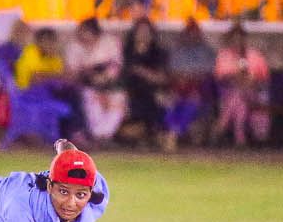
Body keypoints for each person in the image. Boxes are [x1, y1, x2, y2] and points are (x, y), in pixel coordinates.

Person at [65, 16, 125, 143]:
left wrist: (104, 81)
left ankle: (107, 135)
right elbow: (72, 73)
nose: (82, 35)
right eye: (81, 31)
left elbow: (116, 66)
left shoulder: (110, 42)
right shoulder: (74, 46)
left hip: (110, 85)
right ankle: (96, 135)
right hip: (85, 85)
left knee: (118, 98)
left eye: (85, 32)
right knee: (89, 98)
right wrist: (90, 75)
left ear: (95, 32)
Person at [211, 22, 271, 147]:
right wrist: (236, 77)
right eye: (234, 38)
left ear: (244, 39)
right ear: (230, 40)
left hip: (254, 92)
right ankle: (239, 137)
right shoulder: (224, 55)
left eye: (240, 38)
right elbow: (220, 76)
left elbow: (264, 77)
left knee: (239, 97)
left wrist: (250, 80)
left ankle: (222, 126)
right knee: (239, 100)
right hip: (230, 92)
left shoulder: (255, 55)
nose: (237, 41)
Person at [121, 15, 172, 146]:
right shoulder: (126, 52)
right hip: (130, 94)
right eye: (140, 31)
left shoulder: (158, 53)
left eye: (146, 31)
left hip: (151, 93)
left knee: (159, 102)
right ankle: (142, 134)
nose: (143, 35)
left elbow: (162, 78)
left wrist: (142, 72)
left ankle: (153, 133)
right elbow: (122, 75)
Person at [165, 18, 215, 148]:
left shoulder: (206, 51)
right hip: (178, 88)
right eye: (189, 32)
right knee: (171, 102)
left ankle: (173, 133)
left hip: (200, 90)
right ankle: (172, 133)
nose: (192, 35)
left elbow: (208, 73)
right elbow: (172, 71)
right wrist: (182, 80)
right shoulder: (177, 50)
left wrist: (191, 78)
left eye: (195, 32)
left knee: (193, 100)